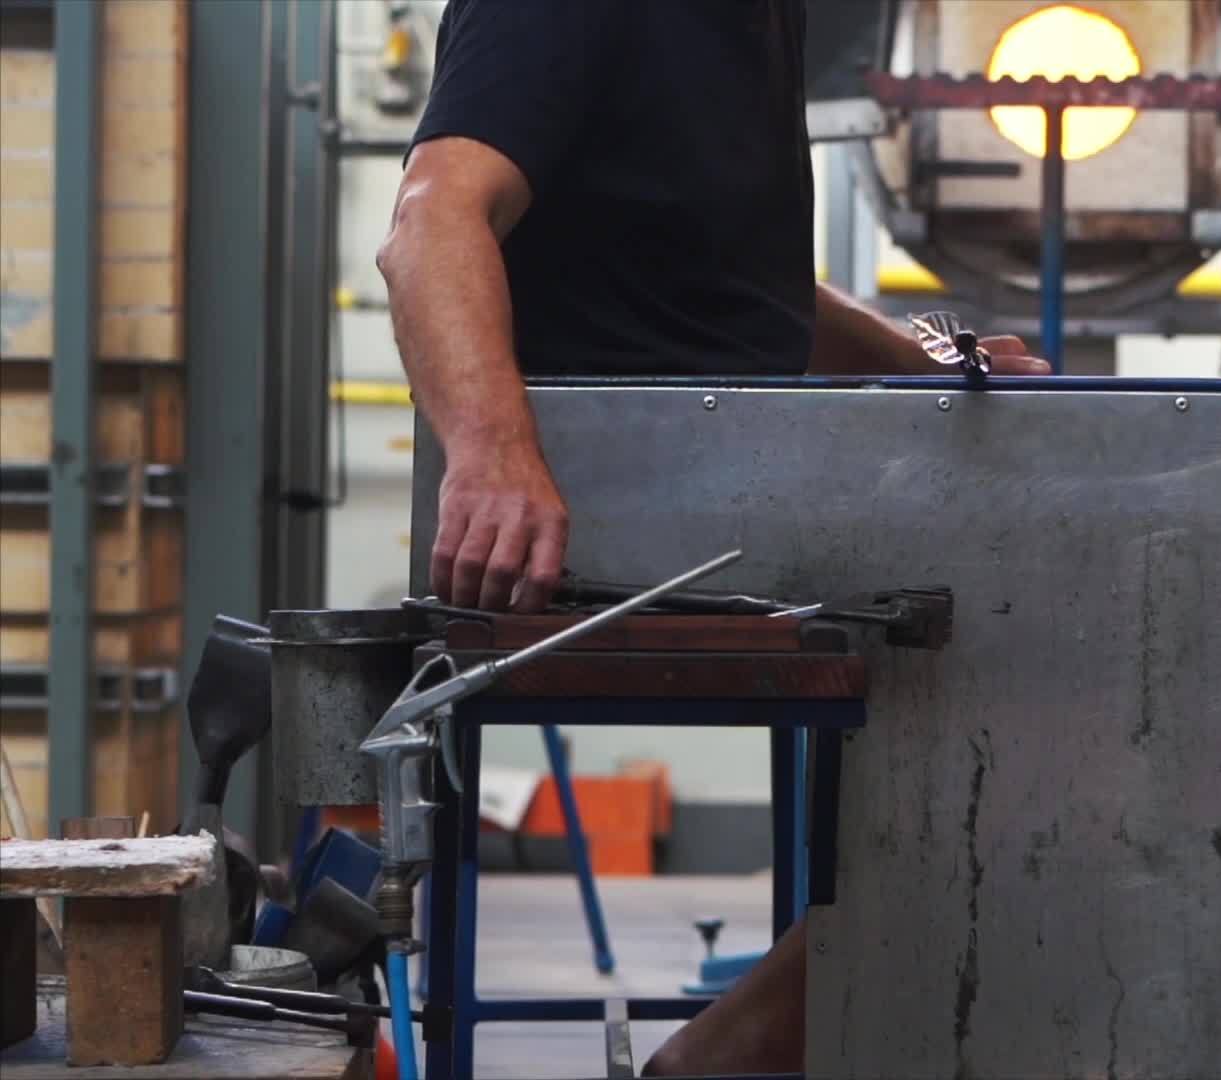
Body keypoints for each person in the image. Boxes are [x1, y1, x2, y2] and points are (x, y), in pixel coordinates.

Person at [377, 1, 1048, 1074]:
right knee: (1048, 663)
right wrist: (492, 453)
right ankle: (751, 1039)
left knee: (1070, 637)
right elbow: (431, 219)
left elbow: (735, 295)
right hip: (616, 516)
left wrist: (927, 367)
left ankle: (786, 1015)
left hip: (730, 486)